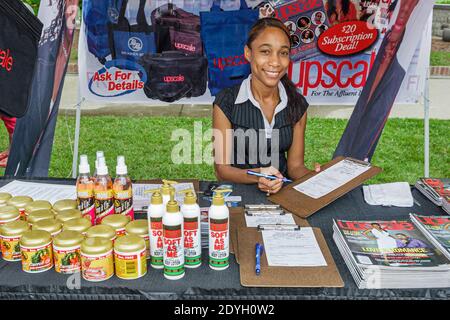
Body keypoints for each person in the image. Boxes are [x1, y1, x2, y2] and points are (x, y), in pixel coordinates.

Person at [212, 18, 319, 196]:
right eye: (265, 51)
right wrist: (259, 175)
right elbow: (222, 170)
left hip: (282, 196)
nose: (275, 62)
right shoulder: (227, 102)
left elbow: (295, 167)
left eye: (283, 53)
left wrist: (316, 177)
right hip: (238, 195)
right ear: (248, 53)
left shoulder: (297, 104)